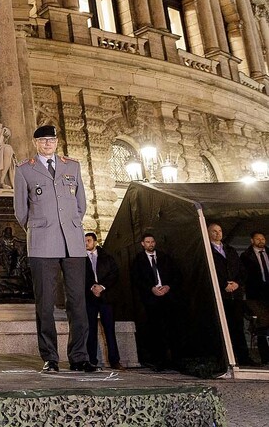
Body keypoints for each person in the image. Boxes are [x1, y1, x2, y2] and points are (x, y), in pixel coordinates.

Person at [13, 125, 94, 373]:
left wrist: (69, 224)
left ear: (57, 142)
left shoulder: (73, 166)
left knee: (78, 302)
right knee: (45, 303)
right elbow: (21, 211)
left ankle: (79, 356)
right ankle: (50, 356)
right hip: (42, 242)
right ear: (36, 143)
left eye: (52, 140)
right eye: (43, 140)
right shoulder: (25, 170)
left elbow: (80, 204)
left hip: (72, 242)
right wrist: (38, 227)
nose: (48, 144)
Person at [206, 223, 254, 366]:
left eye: (220, 231)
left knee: (238, 327)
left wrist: (237, 283)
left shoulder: (230, 250)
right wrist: (223, 285)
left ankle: (243, 357)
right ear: (208, 233)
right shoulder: (208, 250)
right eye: (214, 231)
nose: (217, 233)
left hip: (235, 296)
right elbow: (209, 271)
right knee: (220, 327)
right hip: (221, 296)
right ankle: (223, 359)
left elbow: (241, 270)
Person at [131, 233, 180, 371]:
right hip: (150, 299)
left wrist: (168, 286)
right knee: (155, 330)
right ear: (142, 244)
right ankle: (158, 360)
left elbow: (175, 274)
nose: (150, 244)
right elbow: (137, 279)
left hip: (167, 297)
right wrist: (151, 288)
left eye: (152, 241)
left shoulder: (165, 258)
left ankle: (174, 360)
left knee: (170, 328)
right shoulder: (138, 260)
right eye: (147, 242)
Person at [84, 232, 123, 370]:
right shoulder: (81, 259)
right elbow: (80, 276)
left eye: (88, 240)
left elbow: (114, 274)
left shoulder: (106, 257)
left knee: (109, 330)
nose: (86, 243)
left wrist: (102, 286)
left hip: (106, 297)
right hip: (89, 298)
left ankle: (114, 360)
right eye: (84, 241)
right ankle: (92, 360)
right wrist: (92, 287)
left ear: (95, 242)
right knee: (91, 329)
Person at [240, 231, 269, 364]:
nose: (261, 241)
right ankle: (265, 357)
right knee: (261, 325)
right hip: (256, 295)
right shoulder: (246, 256)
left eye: (262, 238)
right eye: (258, 239)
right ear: (252, 240)